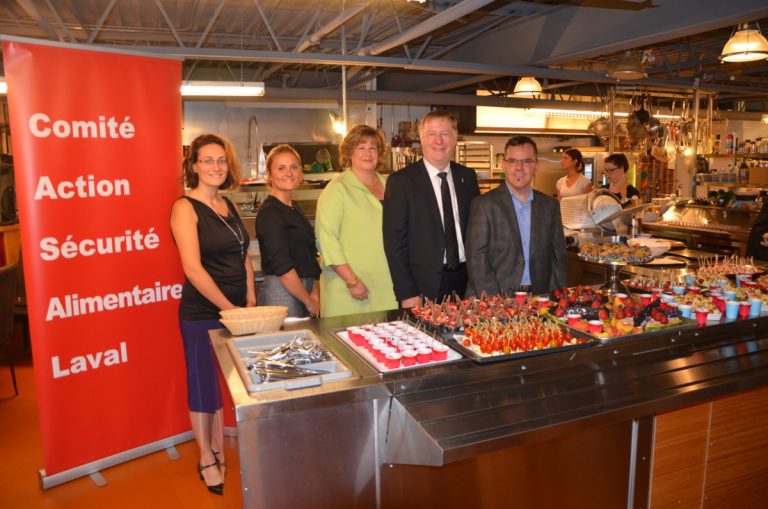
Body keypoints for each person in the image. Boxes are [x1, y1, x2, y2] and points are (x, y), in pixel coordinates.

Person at [170, 133, 255, 496]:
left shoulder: (227, 204)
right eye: (207, 160)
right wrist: (228, 309)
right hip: (203, 312)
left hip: (234, 313)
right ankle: (206, 457)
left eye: (221, 160)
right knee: (203, 384)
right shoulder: (185, 208)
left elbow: (243, 256)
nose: (216, 167)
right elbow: (193, 270)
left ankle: (219, 447)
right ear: (193, 165)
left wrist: (250, 300)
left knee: (223, 385)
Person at [383, 110, 480, 307]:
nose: (439, 141)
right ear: (421, 139)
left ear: (455, 138)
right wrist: (406, 292)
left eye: (445, 134)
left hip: (467, 282)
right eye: (432, 134)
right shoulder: (401, 182)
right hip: (423, 286)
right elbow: (394, 243)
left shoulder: (468, 177)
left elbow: (477, 232)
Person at [466, 135, 566, 296]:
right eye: (512, 161)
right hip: (496, 299)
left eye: (527, 161)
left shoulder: (550, 206)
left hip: (539, 299)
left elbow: (558, 258)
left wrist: (556, 298)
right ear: (504, 164)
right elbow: (477, 259)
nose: (519, 167)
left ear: (536, 166)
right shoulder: (483, 205)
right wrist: (495, 302)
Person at [315, 125, 397, 317]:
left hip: (387, 287)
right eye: (361, 147)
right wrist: (351, 281)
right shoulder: (337, 188)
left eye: (373, 148)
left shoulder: (390, 185)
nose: (368, 153)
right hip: (350, 289)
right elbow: (326, 239)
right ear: (349, 152)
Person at [255, 144, 321, 317]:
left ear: (300, 172)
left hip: (303, 291)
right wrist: (308, 301)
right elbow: (283, 267)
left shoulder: (294, 208)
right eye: (281, 168)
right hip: (281, 294)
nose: (289, 173)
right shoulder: (270, 212)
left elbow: (309, 254)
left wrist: (314, 291)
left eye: (294, 167)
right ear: (270, 174)